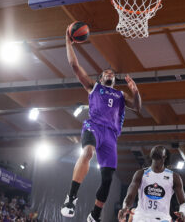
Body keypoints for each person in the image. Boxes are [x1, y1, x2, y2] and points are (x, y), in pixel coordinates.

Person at [61, 25, 142, 222]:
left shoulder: (121, 95)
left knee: (107, 179)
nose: (110, 74)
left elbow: (137, 107)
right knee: (88, 152)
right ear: (101, 77)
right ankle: (71, 198)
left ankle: (95, 214)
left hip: (111, 136)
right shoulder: (93, 87)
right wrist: (67, 41)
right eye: (106, 72)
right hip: (94, 126)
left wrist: (136, 91)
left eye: (112, 73)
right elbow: (74, 66)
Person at [118, 145, 185, 222]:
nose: (156, 148)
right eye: (154, 148)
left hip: (162, 218)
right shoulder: (140, 173)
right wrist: (125, 207)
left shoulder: (174, 177)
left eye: (160, 148)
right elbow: (130, 196)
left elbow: (183, 202)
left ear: (164, 156)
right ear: (151, 155)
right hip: (141, 217)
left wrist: (183, 212)